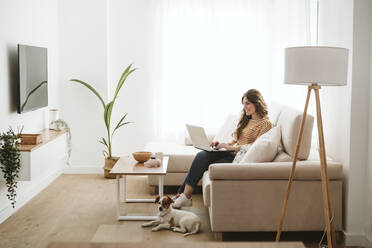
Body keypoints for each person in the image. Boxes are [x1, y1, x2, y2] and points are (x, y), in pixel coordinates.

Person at [172, 89, 273, 209]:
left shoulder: (265, 124)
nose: (244, 107)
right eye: (243, 103)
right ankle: (183, 195)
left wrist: (228, 147)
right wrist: (221, 144)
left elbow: (254, 147)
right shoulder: (247, 119)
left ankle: (184, 196)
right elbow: (236, 140)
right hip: (231, 152)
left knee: (207, 163)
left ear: (257, 103)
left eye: (247, 103)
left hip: (240, 157)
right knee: (202, 155)